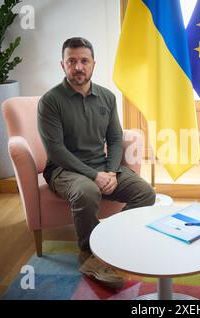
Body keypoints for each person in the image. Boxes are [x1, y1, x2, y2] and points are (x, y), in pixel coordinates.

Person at [38, 37, 156, 289]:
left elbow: (114, 138)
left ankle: (112, 241)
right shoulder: (50, 101)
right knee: (87, 191)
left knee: (145, 193)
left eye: (84, 61)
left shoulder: (107, 97)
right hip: (63, 169)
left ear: (93, 64)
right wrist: (95, 176)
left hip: (101, 165)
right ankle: (90, 254)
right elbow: (56, 150)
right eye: (72, 61)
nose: (78, 67)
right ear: (63, 65)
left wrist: (111, 171)